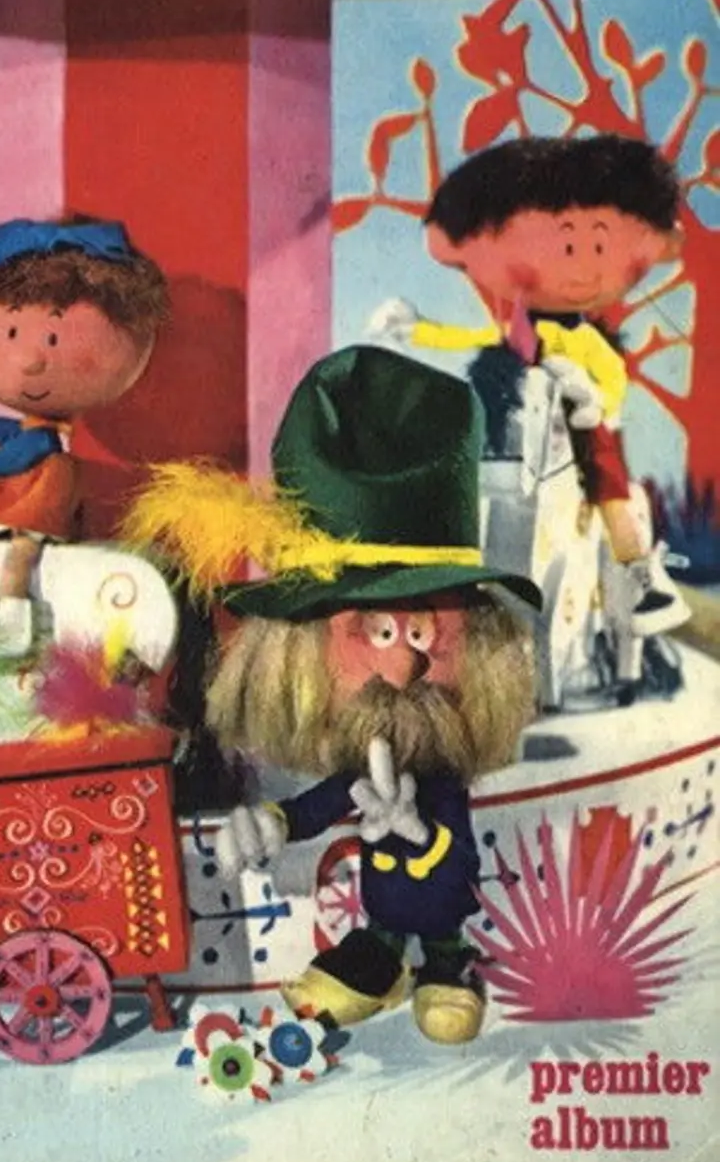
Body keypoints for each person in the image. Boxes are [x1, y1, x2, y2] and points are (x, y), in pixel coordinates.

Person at [124, 345, 539, 1046]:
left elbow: (462, 862)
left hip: (440, 910)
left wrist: (414, 830)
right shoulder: (358, 769)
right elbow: (318, 806)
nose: (402, 671)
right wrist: (272, 824)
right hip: (380, 911)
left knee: (443, 946)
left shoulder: (440, 781)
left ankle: (446, 965)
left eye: (422, 632)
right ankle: (380, 959)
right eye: (377, 632)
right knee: (367, 948)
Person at [371, 134, 689, 634]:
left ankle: (640, 573)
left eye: (595, 248)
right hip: (523, 425)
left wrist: (593, 401)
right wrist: (417, 329)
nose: (577, 268)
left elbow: (612, 378)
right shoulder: (523, 330)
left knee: (605, 469)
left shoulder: (584, 339)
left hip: (583, 422)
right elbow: (475, 339)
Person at [0, 217, 169, 637]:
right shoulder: (35, 428)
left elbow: (8, 459)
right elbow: (8, 433)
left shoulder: (43, 440)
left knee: (21, 553)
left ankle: (11, 618)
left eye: (53, 339)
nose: (30, 360)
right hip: (34, 496)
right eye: (12, 331)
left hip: (37, 506)